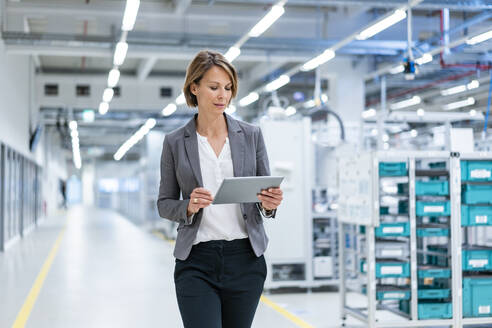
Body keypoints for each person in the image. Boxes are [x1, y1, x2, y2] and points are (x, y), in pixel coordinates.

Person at [157, 49, 283, 328]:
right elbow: (164, 203)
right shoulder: (175, 142)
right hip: (196, 262)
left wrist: (269, 204)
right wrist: (187, 206)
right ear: (194, 87)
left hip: (245, 259)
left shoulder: (251, 135)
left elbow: (263, 194)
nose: (222, 95)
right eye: (213, 87)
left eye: (228, 88)